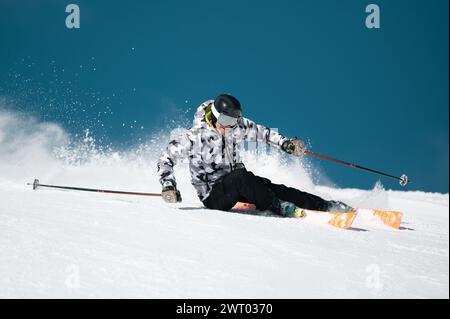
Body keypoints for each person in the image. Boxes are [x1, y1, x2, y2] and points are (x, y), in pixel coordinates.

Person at [157, 94, 353, 217]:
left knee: (271, 186)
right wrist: (168, 185)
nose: (230, 125)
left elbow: (264, 133)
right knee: (241, 178)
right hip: (214, 195)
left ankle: (323, 205)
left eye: (234, 120)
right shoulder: (195, 136)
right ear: (215, 116)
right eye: (225, 120)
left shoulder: (236, 127)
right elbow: (166, 158)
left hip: (240, 184)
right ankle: (277, 206)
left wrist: (286, 143)